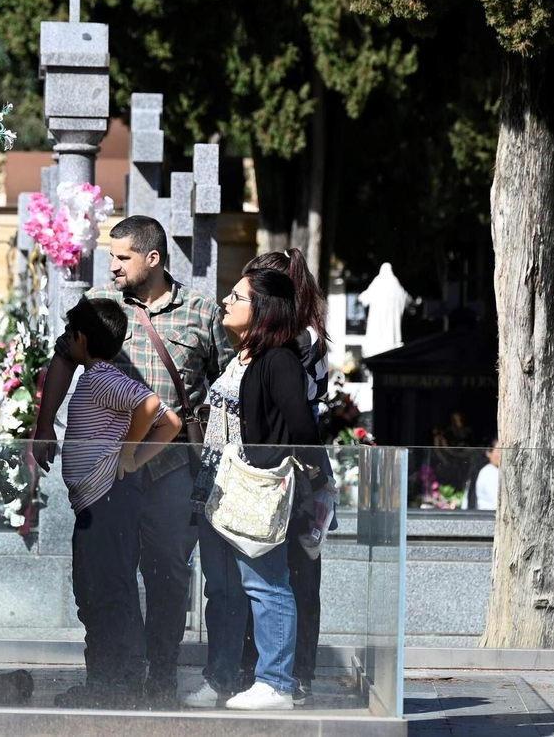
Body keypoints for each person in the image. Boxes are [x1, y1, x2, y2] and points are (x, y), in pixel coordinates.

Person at [33, 215, 231, 704]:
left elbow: (227, 384)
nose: (114, 266)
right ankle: (108, 676)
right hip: (110, 476)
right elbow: (63, 359)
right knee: (104, 576)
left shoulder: (201, 311)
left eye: (123, 257)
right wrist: (43, 425)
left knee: (168, 572)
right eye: (112, 256)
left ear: (153, 258)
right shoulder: (100, 304)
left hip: (170, 469)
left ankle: (160, 672)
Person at [184, 265, 321, 712]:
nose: (226, 301)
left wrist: (312, 479)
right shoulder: (240, 356)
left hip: (254, 490)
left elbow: (301, 426)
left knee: (266, 585)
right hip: (217, 488)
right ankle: (221, 678)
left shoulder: (278, 360)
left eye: (238, 297)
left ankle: (277, 683)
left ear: (263, 309)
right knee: (223, 589)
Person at [57, 297, 182, 707]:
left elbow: (155, 410)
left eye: (68, 334)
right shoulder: (100, 377)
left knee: (108, 590)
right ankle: (104, 681)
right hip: (97, 503)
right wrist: (133, 453)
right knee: (94, 589)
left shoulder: (100, 378)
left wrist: (130, 453)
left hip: (107, 500)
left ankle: (116, 685)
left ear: (81, 338)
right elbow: (168, 421)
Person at [242, 249, 334, 706]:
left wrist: (314, 475)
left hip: (293, 469)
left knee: (291, 576)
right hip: (292, 466)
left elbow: (300, 418)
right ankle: (278, 673)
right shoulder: (293, 338)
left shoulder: (292, 344)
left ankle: (290, 675)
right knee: (284, 576)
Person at [471, 440, 501, 511]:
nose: (501, 455)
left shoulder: (497, 470)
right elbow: (497, 501)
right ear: (489, 453)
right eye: (498, 451)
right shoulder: (489, 472)